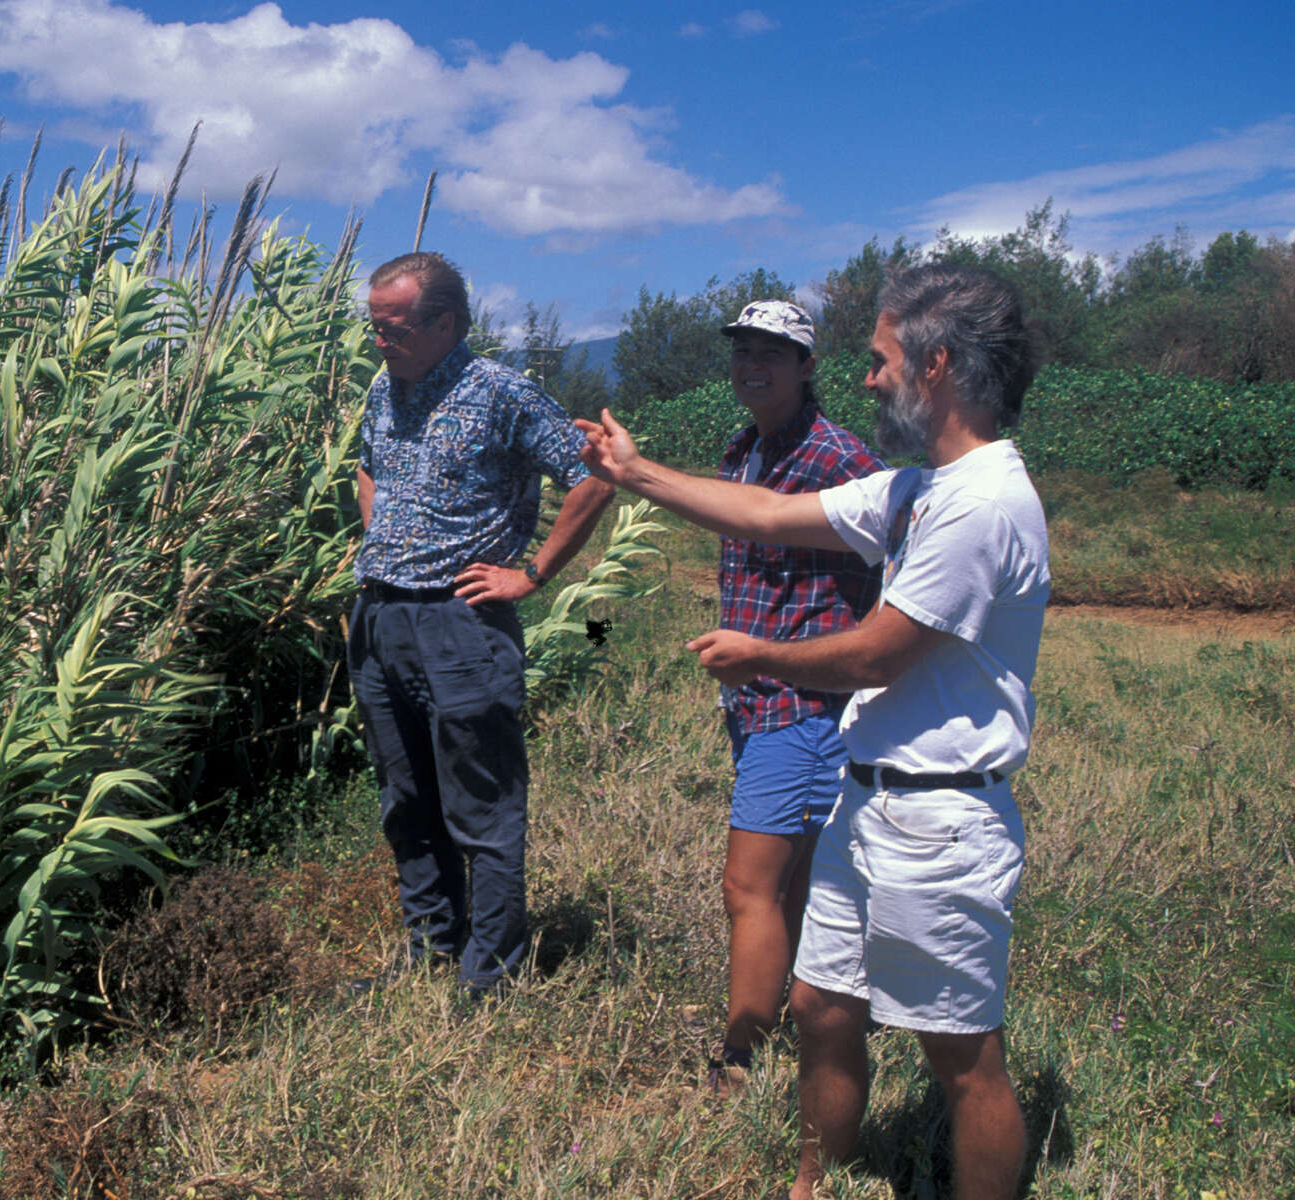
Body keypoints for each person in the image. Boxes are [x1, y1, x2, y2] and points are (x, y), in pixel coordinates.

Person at [578, 265, 1046, 1200]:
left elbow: (879, 653)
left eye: (880, 361)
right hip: (869, 804)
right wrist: (634, 474)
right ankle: (809, 1186)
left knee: (962, 1060)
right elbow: (765, 510)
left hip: (942, 821)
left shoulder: (980, 503)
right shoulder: (918, 487)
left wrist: (764, 656)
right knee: (822, 1008)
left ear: (937, 364)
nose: (868, 378)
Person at [349, 251, 613, 1000]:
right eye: (373, 327)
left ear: (445, 324)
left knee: (482, 806)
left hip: (462, 625)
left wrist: (530, 575)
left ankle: (489, 976)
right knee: (406, 799)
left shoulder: (502, 393)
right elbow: (367, 464)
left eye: (393, 328)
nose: (379, 342)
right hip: (380, 618)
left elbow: (594, 474)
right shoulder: (383, 385)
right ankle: (432, 945)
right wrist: (383, 538)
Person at [706, 300, 884, 1092]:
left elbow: (907, 558)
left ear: (808, 365)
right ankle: (809, 1012)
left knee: (749, 885)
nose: (753, 364)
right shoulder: (744, 451)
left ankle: (739, 1054)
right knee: (798, 880)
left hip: (804, 708)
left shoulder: (840, 459)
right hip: (757, 706)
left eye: (773, 352)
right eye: (743, 349)